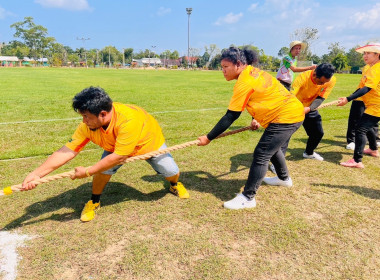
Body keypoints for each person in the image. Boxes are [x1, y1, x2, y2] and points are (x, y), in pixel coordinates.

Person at [22, 87, 189, 222]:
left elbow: (118, 157)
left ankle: (174, 184)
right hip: (116, 147)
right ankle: (94, 201)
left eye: (86, 116)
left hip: (149, 144)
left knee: (170, 171)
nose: (83, 121)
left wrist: (87, 172)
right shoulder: (87, 126)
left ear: (102, 114)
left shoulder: (129, 120)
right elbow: (67, 151)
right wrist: (36, 174)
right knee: (102, 171)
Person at [198, 47, 305, 210]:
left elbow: (231, 116)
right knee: (272, 148)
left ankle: (248, 197)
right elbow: (265, 94)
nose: (223, 71)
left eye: (226, 67)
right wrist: (256, 118)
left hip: (286, 117)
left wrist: (208, 137)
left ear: (239, 64)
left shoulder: (244, 82)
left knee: (262, 153)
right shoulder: (253, 72)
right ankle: (284, 179)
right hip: (291, 112)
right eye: (222, 67)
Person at [338, 43, 380, 168]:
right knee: (369, 127)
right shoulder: (369, 67)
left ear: (377, 55)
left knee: (360, 129)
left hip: (377, 105)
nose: (365, 56)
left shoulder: (377, 69)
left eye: (368, 53)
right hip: (371, 104)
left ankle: (357, 160)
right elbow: (361, 87)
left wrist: (348, 99)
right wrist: (349, 97)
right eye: (364, 53)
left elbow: (367, 88)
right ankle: (373, 149)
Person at [290, 63, 336, 161]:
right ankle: (275, 162)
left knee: (317, 133)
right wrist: (297, 109)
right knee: (285, 135)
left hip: (310, 107)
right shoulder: (303, 78)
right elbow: (291, 96)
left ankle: (309, 153)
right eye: (321, 82)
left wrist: (309, 109)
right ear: (314, 74)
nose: (323, 85)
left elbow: (321, 98)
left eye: (325, 82)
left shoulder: (330, 80)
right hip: (294, 108)